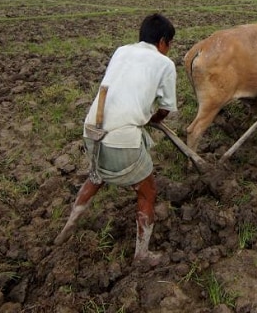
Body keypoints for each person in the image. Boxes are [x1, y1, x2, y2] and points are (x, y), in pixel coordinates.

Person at [54, 13, 177, 266]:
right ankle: (142, 255)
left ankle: (67, 228)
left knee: (97, 175)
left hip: (92, 128)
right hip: (122, 137)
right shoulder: (165, 64)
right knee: (148, 191)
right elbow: (165, 108)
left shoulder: (121, 51)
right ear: (163, 41)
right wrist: (155, 118)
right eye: (170, 44)